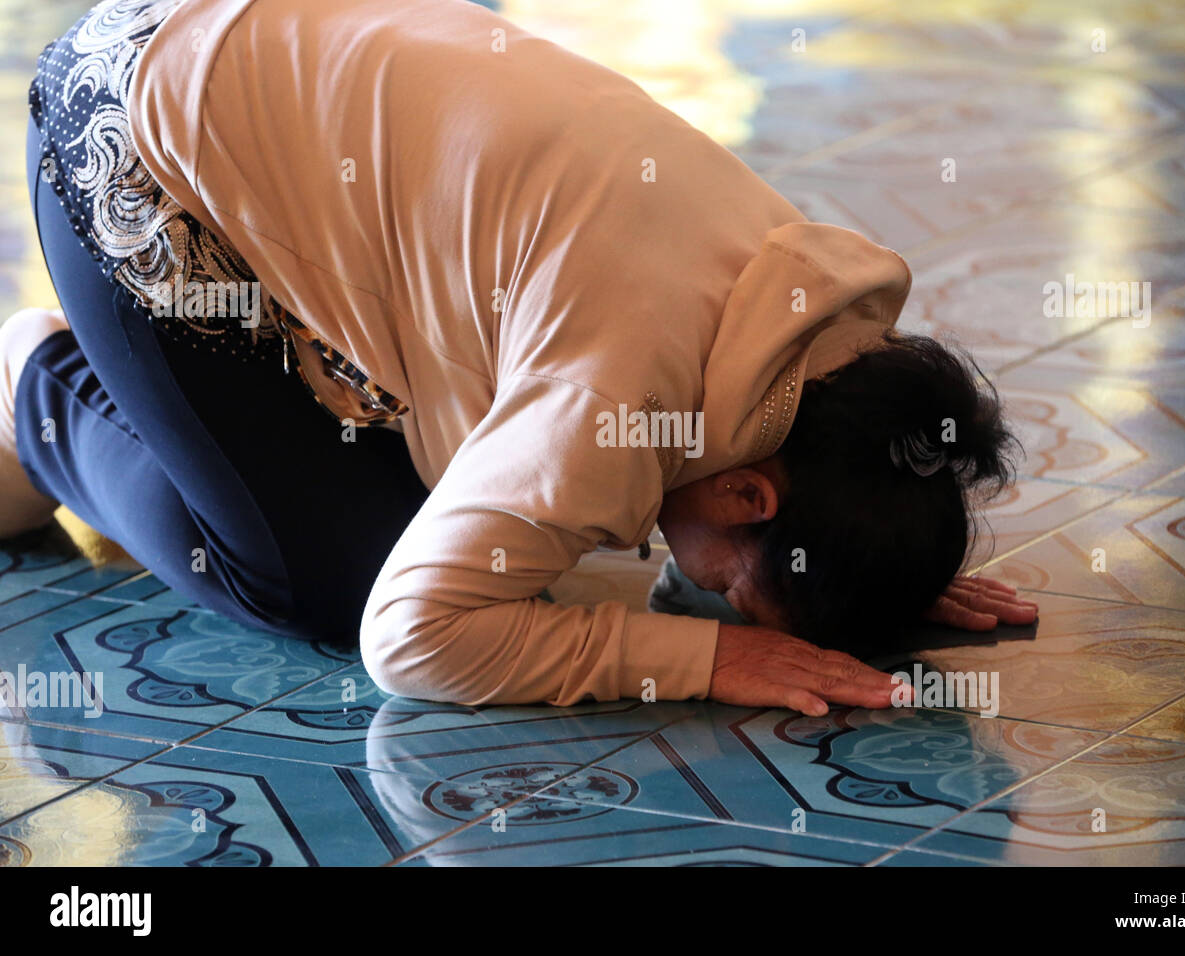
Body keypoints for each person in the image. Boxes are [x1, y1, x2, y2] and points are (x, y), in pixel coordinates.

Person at [2, 0, 1036, 717]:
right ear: (750, 500)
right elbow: (413, 637)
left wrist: (871, 559)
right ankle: (40, 389)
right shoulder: (619, 390)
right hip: (131, 129)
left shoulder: (809, 319)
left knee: (453, 538)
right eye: (737, 589)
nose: (710, 594)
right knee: (328, 583)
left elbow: (857, 464)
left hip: (248, 52)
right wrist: (707, 655)